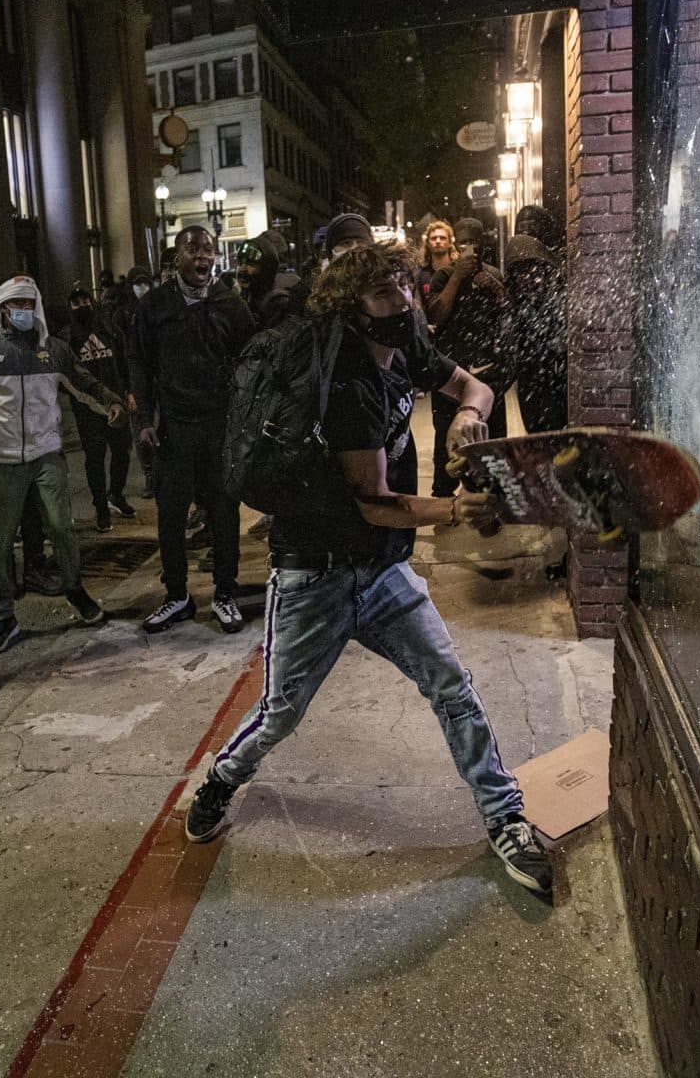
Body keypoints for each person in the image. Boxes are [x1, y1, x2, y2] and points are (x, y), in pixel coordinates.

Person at [180, 242, 553, 898]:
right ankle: (221, 779)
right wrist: (455, 509)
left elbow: (476, 386)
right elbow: (377, 505)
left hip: (380, 575)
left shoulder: (405, 343)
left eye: (406, 287)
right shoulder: (348, 380)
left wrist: (468, 415)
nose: (403, 301)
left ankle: (505, 817)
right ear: (350, 306)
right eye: (385, 292)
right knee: (280, 714)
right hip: (314, 576)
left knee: (451, 686)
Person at [0, 276, 121, 654]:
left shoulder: (55, 351)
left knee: (62, 527)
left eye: (29, 303)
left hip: (46, 455)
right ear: (2, 310)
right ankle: (3, 615)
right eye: (15, 305)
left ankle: (75, 590)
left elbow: (82, 381)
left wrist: (111, 401)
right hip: (0, 461)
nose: (22, 311)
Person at [127, 223, 256, 636]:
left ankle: (224, 592)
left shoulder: (230, 305)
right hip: (174, 430)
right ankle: (177, 596)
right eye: (192, 249)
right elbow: (139, 367)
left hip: (219, 427)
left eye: (208, 250)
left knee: (223, 511)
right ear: (176, 257)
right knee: (170, 514)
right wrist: (144, 420)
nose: (201, 257)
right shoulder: (153, 307)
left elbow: (251, 361)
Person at [418, 218, 513, 496]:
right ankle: (445, 494)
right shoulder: (445, 275)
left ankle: (491, 493)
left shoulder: (494, 274)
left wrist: (493, 288)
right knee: (445, 438)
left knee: (493, 438)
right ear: (457, 245)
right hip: (452, 372)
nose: (470, 247)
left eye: (474, 242)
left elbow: (509, 317)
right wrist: (458, 277)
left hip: (488, 370)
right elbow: (436, 314)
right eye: (464, 242)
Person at [65, 285, 136, 533]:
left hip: (115, 400)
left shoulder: (108, 328)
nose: (82, 305)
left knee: (122, 450)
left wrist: (128, 391)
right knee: (94, 458)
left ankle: (115, 494)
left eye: (85, 299)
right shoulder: (68, 337)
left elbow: (123, 360)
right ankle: (101, 509)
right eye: (76, 302)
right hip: (87, 407)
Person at [503, 206, 568, 434]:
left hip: (555, 367)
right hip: (530, 369)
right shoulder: (518, 252)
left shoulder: (559, 266)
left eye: (533, 224)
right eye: (522, 225)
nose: (527, 229)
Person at [116, 266, 159, 500]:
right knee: (141, 429)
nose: (142, 288)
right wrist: (128, 390)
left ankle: (161, 472)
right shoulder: (123, 316)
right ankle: (150, 474)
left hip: (158, 380)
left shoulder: (158, 309)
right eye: (138, 283)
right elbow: (121, 357)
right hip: (136, 380)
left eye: (145, 283)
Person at [287, 211, 376, 317]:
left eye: (361, 243)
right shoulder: (308, 291)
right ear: (331, 252)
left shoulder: (384, 284)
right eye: (346, 243)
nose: (354, 249)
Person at [234, 233, 298, 331]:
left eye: (250, 263)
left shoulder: (277, 301)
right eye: (240, 263)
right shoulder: (253, 295)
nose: (242, 269)